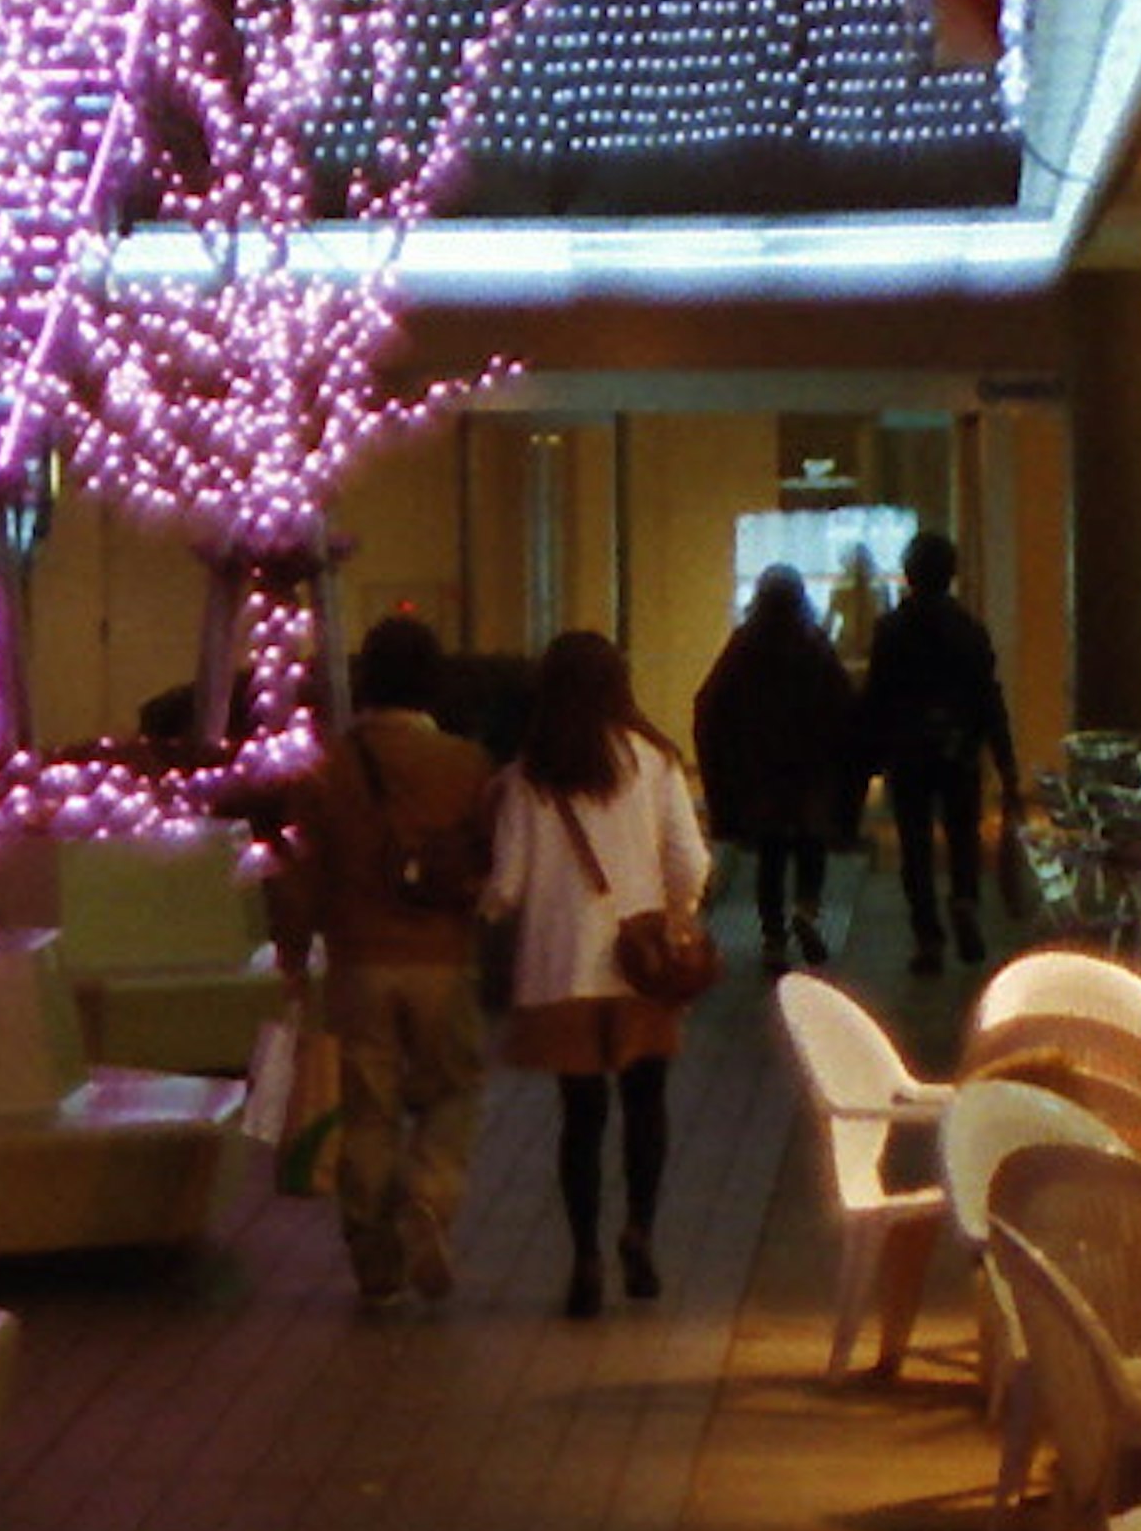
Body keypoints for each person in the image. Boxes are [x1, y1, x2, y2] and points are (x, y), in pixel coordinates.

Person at [262, 609, 498, 1316]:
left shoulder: (324, 769)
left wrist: (295, 954)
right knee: (451, 1091)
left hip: (358, 961)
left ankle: (375, 1264)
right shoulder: (465, 764)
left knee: (368, 1110)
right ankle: (430, 1195)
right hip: (442, 958)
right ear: (433, 684)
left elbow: (297, 873)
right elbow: (488, 864)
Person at [481, 626, 713, 1319]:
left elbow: (509, 886)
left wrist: (480, 905)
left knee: (580, 1120)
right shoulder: (655, 760)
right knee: (647, 1105)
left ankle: (584, 1257)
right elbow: (691, 864)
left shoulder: (531, 776)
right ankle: (639, 1231)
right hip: (642, 970)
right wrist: (677, 912)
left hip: (561, 971)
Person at [857, 528, 1022, 978]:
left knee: (915, 847)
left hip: (908, 753)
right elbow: (989, 698)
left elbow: (878, 698)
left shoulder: (891, 630)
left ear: (910, 575)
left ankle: (927, 936)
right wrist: (1006, 765)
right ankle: (965, 899)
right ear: (952, 574)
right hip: (960, 751)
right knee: (963, 835)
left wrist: (865, 758)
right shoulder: (969, 629)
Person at [691, 562, 857, 974]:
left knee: (770, 857)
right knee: (810, 847)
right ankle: (806, 908)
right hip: (810, 771)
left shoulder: (744, 646)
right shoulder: (814, 644)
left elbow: (710, 706)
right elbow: (844, 706)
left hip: (761, 772)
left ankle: (773, 937)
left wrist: (724, 770)